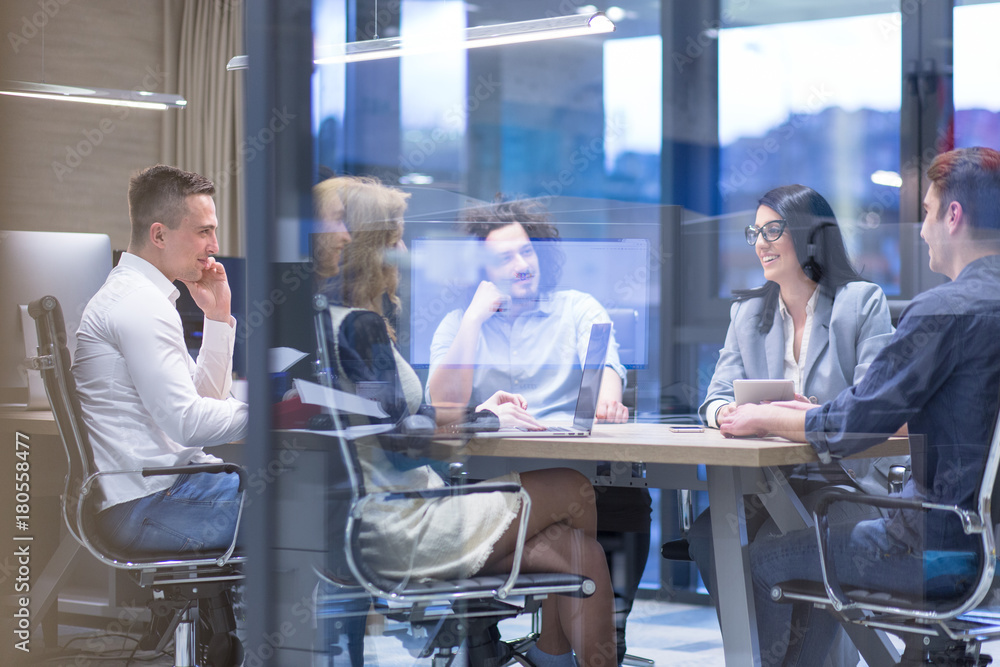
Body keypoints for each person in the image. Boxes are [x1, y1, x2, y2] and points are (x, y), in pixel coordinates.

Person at [317, 176, 616, 667]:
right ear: (375, 247)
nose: (403, 248)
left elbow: (392, 419)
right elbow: (400, 437)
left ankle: (553, 656)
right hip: (400, 524)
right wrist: (479, 418)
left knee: (584, 556)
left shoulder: (329, 320)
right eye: (395, 237)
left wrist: (479, 414)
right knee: (571, 486)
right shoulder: (359, 326)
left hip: (380, 515)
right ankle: (555, 655)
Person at [720, 147, 1000, 666]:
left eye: (928, 214)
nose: (921, 231)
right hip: (988, 546)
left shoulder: (943, 311)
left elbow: (853, 426)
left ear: (954, 217)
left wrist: (767, 416)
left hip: (938, 548)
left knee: (759, 560)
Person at [425, 199, 649, 664]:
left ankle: (550, 650)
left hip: (570, 478)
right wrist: (474, 317)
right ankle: (550, 652)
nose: (523, 265)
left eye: (527, 252)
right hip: (488, 492)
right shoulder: (459, 324)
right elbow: (442, 406)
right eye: (505, 258)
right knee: (576, 535)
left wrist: (608, 396)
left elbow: (607, 362)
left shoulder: (576, 308)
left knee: (610, 500)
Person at [687, 185, 898, 598]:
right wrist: (727, 415)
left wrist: (806, 415)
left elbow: (878, 404)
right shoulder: (747, 314)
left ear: (808, 234)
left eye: (773, 230)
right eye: (756, 232)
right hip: (771, 480)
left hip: (843, 479)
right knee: (708, 536)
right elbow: (712, 399)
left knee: (772, 549)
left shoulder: (860, 302)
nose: (760, 244)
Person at [74, 164, 248, 555]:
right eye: (204, 231)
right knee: (316, 508)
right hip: (150, 503)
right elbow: (188, 423)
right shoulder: (138, 305)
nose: (215, 245)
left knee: (306, 497)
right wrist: (274, 416)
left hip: (168, 489)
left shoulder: (144, 298)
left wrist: (218, 318)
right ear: (159, 235)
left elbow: (205, 403)